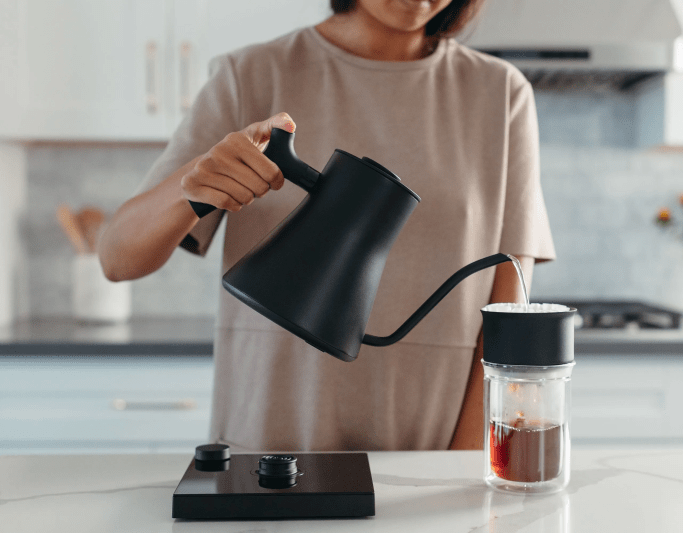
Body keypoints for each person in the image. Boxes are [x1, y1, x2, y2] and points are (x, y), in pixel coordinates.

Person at [98, 0, 555, 452]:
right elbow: (117, 259)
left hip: (428, 452)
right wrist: (193, 180)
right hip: (268, 446)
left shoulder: (500, 94)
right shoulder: (252, 75)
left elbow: (507, 314)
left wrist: (456, 474)